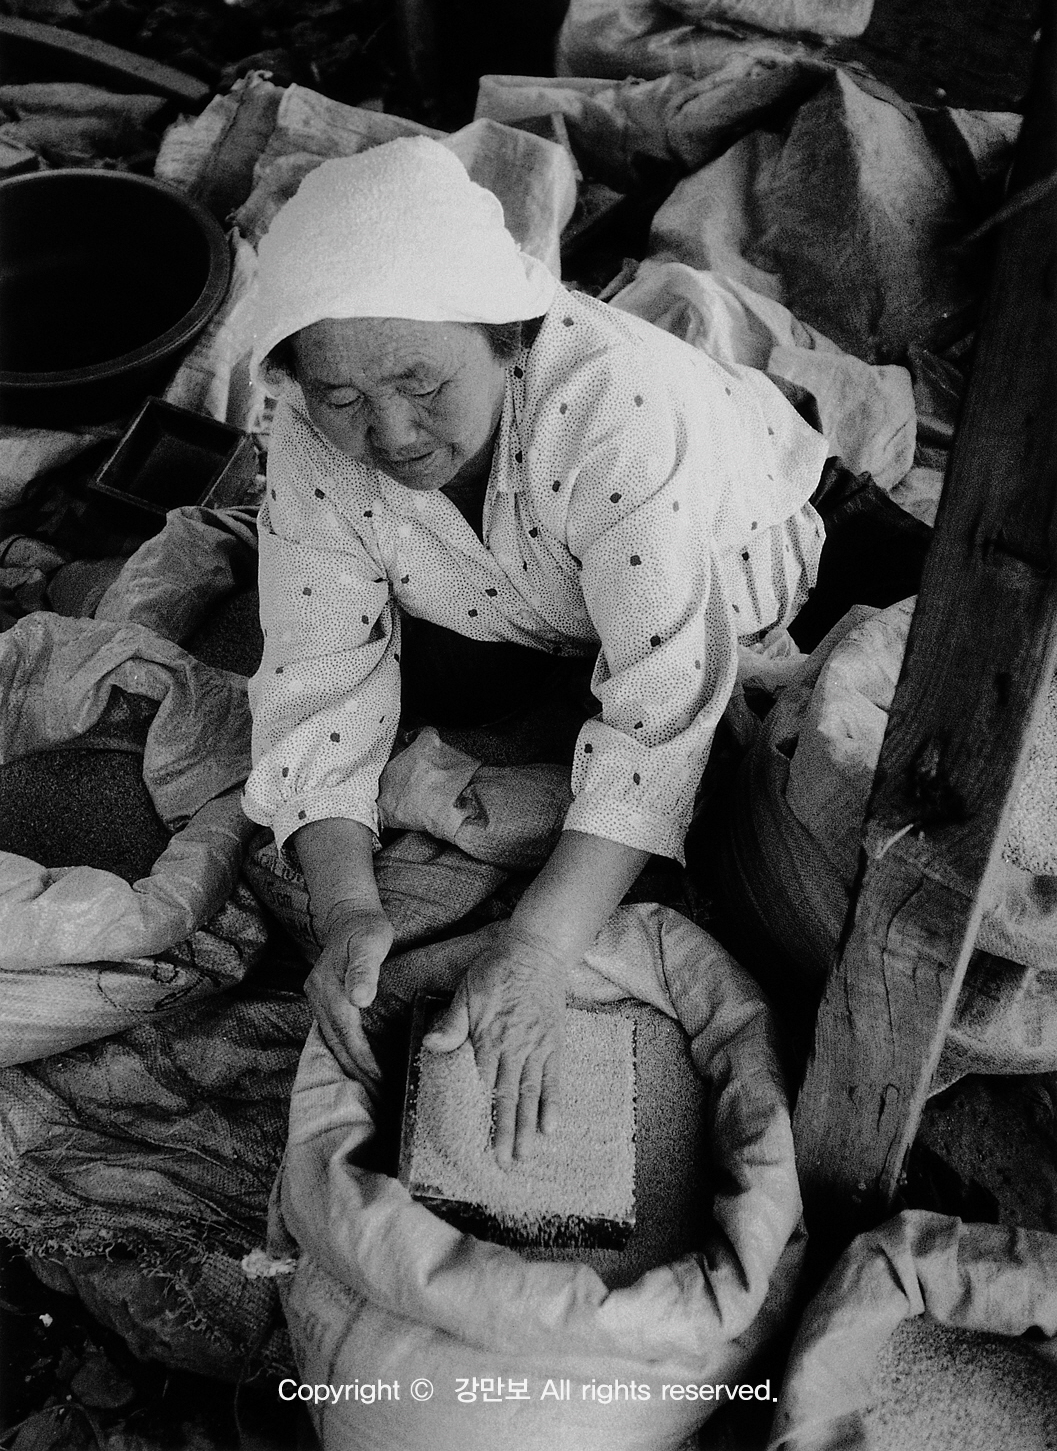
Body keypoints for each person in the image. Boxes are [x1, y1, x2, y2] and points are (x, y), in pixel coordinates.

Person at [243, 136, 828, 1168]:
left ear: (508, 338)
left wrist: (538, 948)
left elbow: (661, 699)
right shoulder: (305, 438)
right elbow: (315, 674)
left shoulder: (609, 401)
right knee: (435, 712)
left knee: (733, 785)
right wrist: (347, 908)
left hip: (722, 562)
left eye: (421, 381)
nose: (391, 431)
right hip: (523, 603)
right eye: (341, 398)